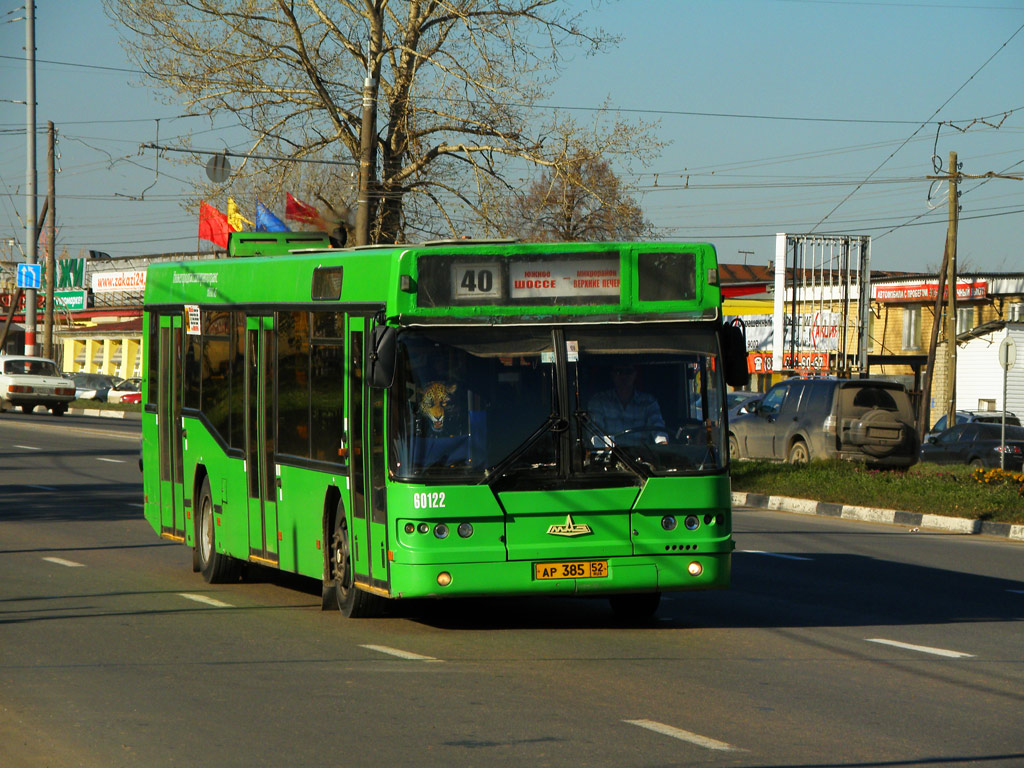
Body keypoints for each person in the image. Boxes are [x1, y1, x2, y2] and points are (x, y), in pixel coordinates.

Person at [587, 365, 668, 447]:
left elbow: (657, 428)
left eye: (628, 372)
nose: (624, 376)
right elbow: (595, 433)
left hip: (642, 456)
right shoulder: (599, 401)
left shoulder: (648, 402)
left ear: (635, 374)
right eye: (619, 372)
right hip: (611, 455)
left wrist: (662, 444)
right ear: (612, 375)